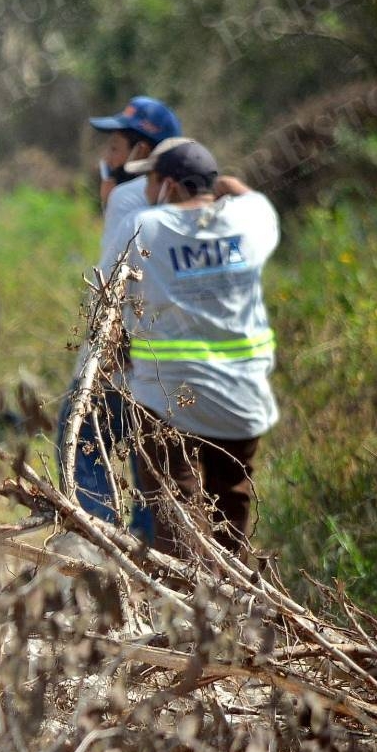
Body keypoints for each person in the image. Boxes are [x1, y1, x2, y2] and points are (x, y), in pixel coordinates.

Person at [106, 138, 279, 560]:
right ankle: (231, 602)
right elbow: (246, 193)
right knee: (231, 504)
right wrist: (224, 186)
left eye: (150, 180)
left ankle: (183, 606)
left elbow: (112, 289)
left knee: (173, 510)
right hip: (241, 397)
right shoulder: (251, 220)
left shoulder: (144, 227)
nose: (146, 190)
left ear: (169, 185)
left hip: (166, 395)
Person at [56, 96, 180, 529]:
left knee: (82, 448)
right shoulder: (189, 202)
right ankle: (151, 573)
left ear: (141, 154)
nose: (104, 158)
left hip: (120, 363)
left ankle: (103, 562)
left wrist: (102, 358)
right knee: (151, 476)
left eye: (112, 148)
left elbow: (113, 284)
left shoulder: (129, 198)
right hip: (170, 368)